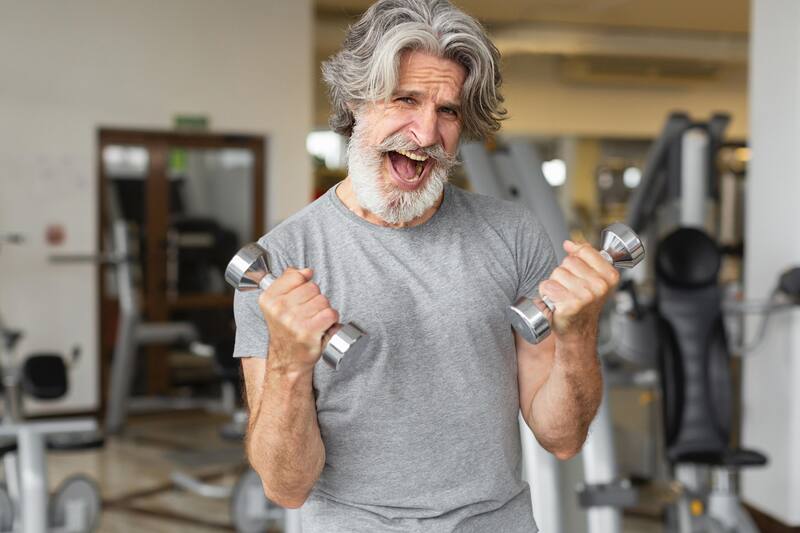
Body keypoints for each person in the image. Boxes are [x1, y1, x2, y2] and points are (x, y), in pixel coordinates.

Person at [232, 1, 619, 531]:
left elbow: (562, 438)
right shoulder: (281, 263)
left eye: (449, 111)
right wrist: (289, 364)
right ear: (355, 100)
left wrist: (579, 335)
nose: (426, 133)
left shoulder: (513, 234)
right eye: (406, 99)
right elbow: (286, 486)